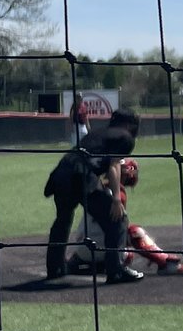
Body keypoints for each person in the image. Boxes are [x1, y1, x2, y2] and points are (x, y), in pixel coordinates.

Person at [43, 108, 144, 283]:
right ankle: (116, 270)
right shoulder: (125, 138)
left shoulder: (97, 133)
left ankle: (55, 267)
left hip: (60, 174)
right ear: (129, 124)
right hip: (81, 176)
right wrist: (116, 199)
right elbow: (113, 165)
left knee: (63, 220)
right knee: (117, 220)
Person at [67, 158, 183, 276]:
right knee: (134, 233)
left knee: (114, 237)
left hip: (82, 249)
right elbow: (119, 226)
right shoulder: (117, 194)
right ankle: (165, 262)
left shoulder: (96, 189)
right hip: (99, 246)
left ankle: (92, 263)